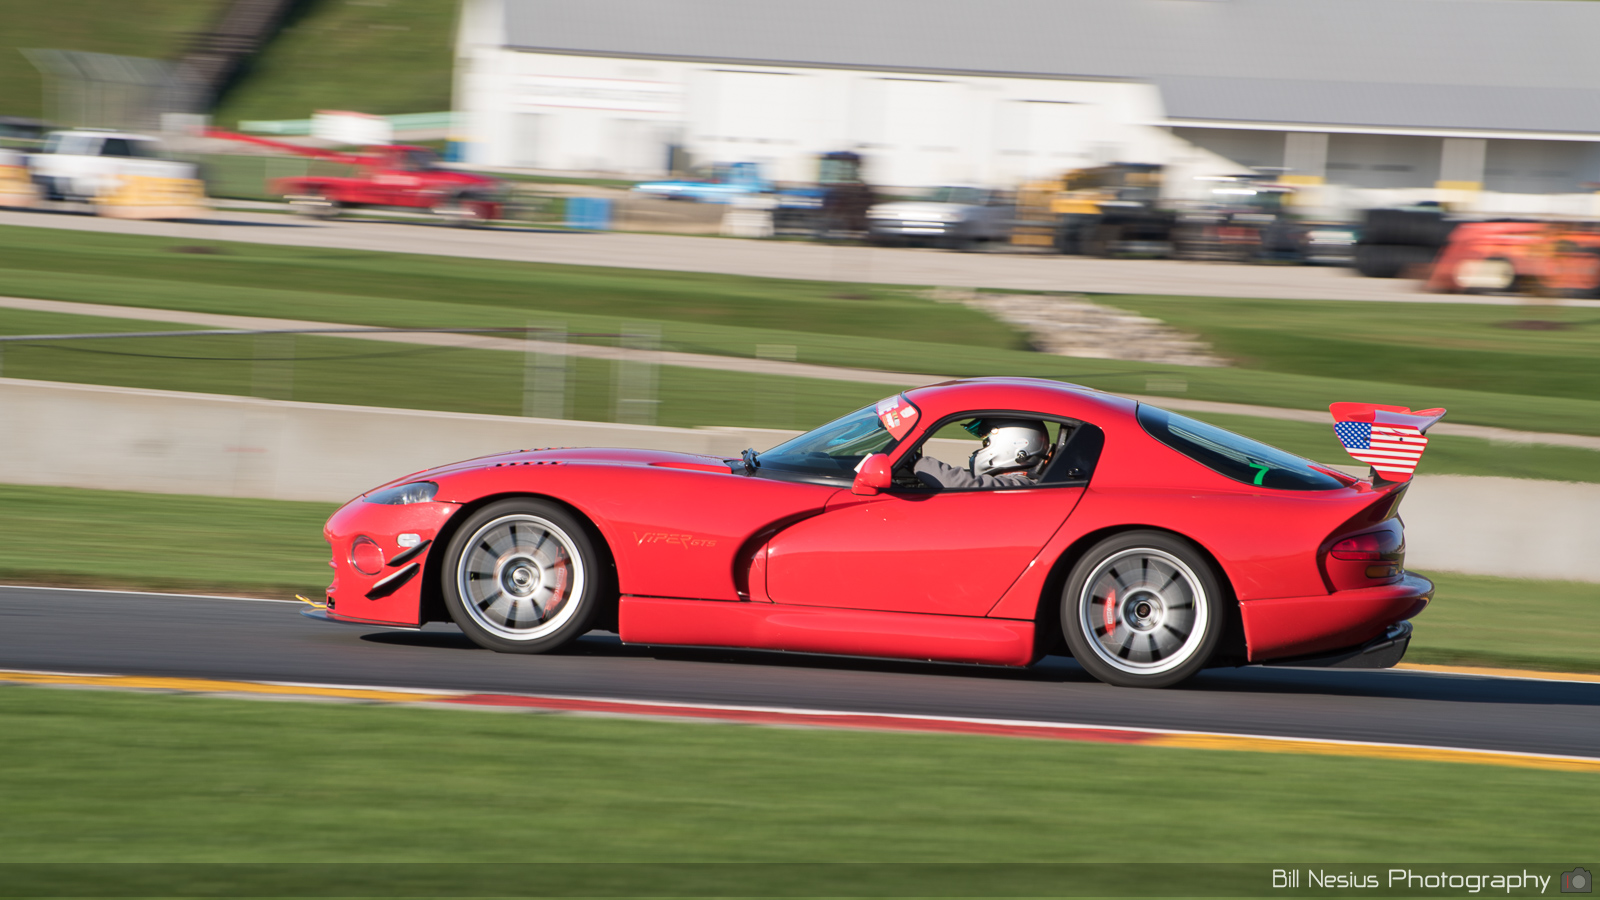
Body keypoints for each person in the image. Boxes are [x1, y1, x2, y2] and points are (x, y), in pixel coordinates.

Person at [912, 419, 1051, 489]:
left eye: (986, 443)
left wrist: (916, 462)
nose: (982, 449)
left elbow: (961, 483)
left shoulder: (1021, 483)